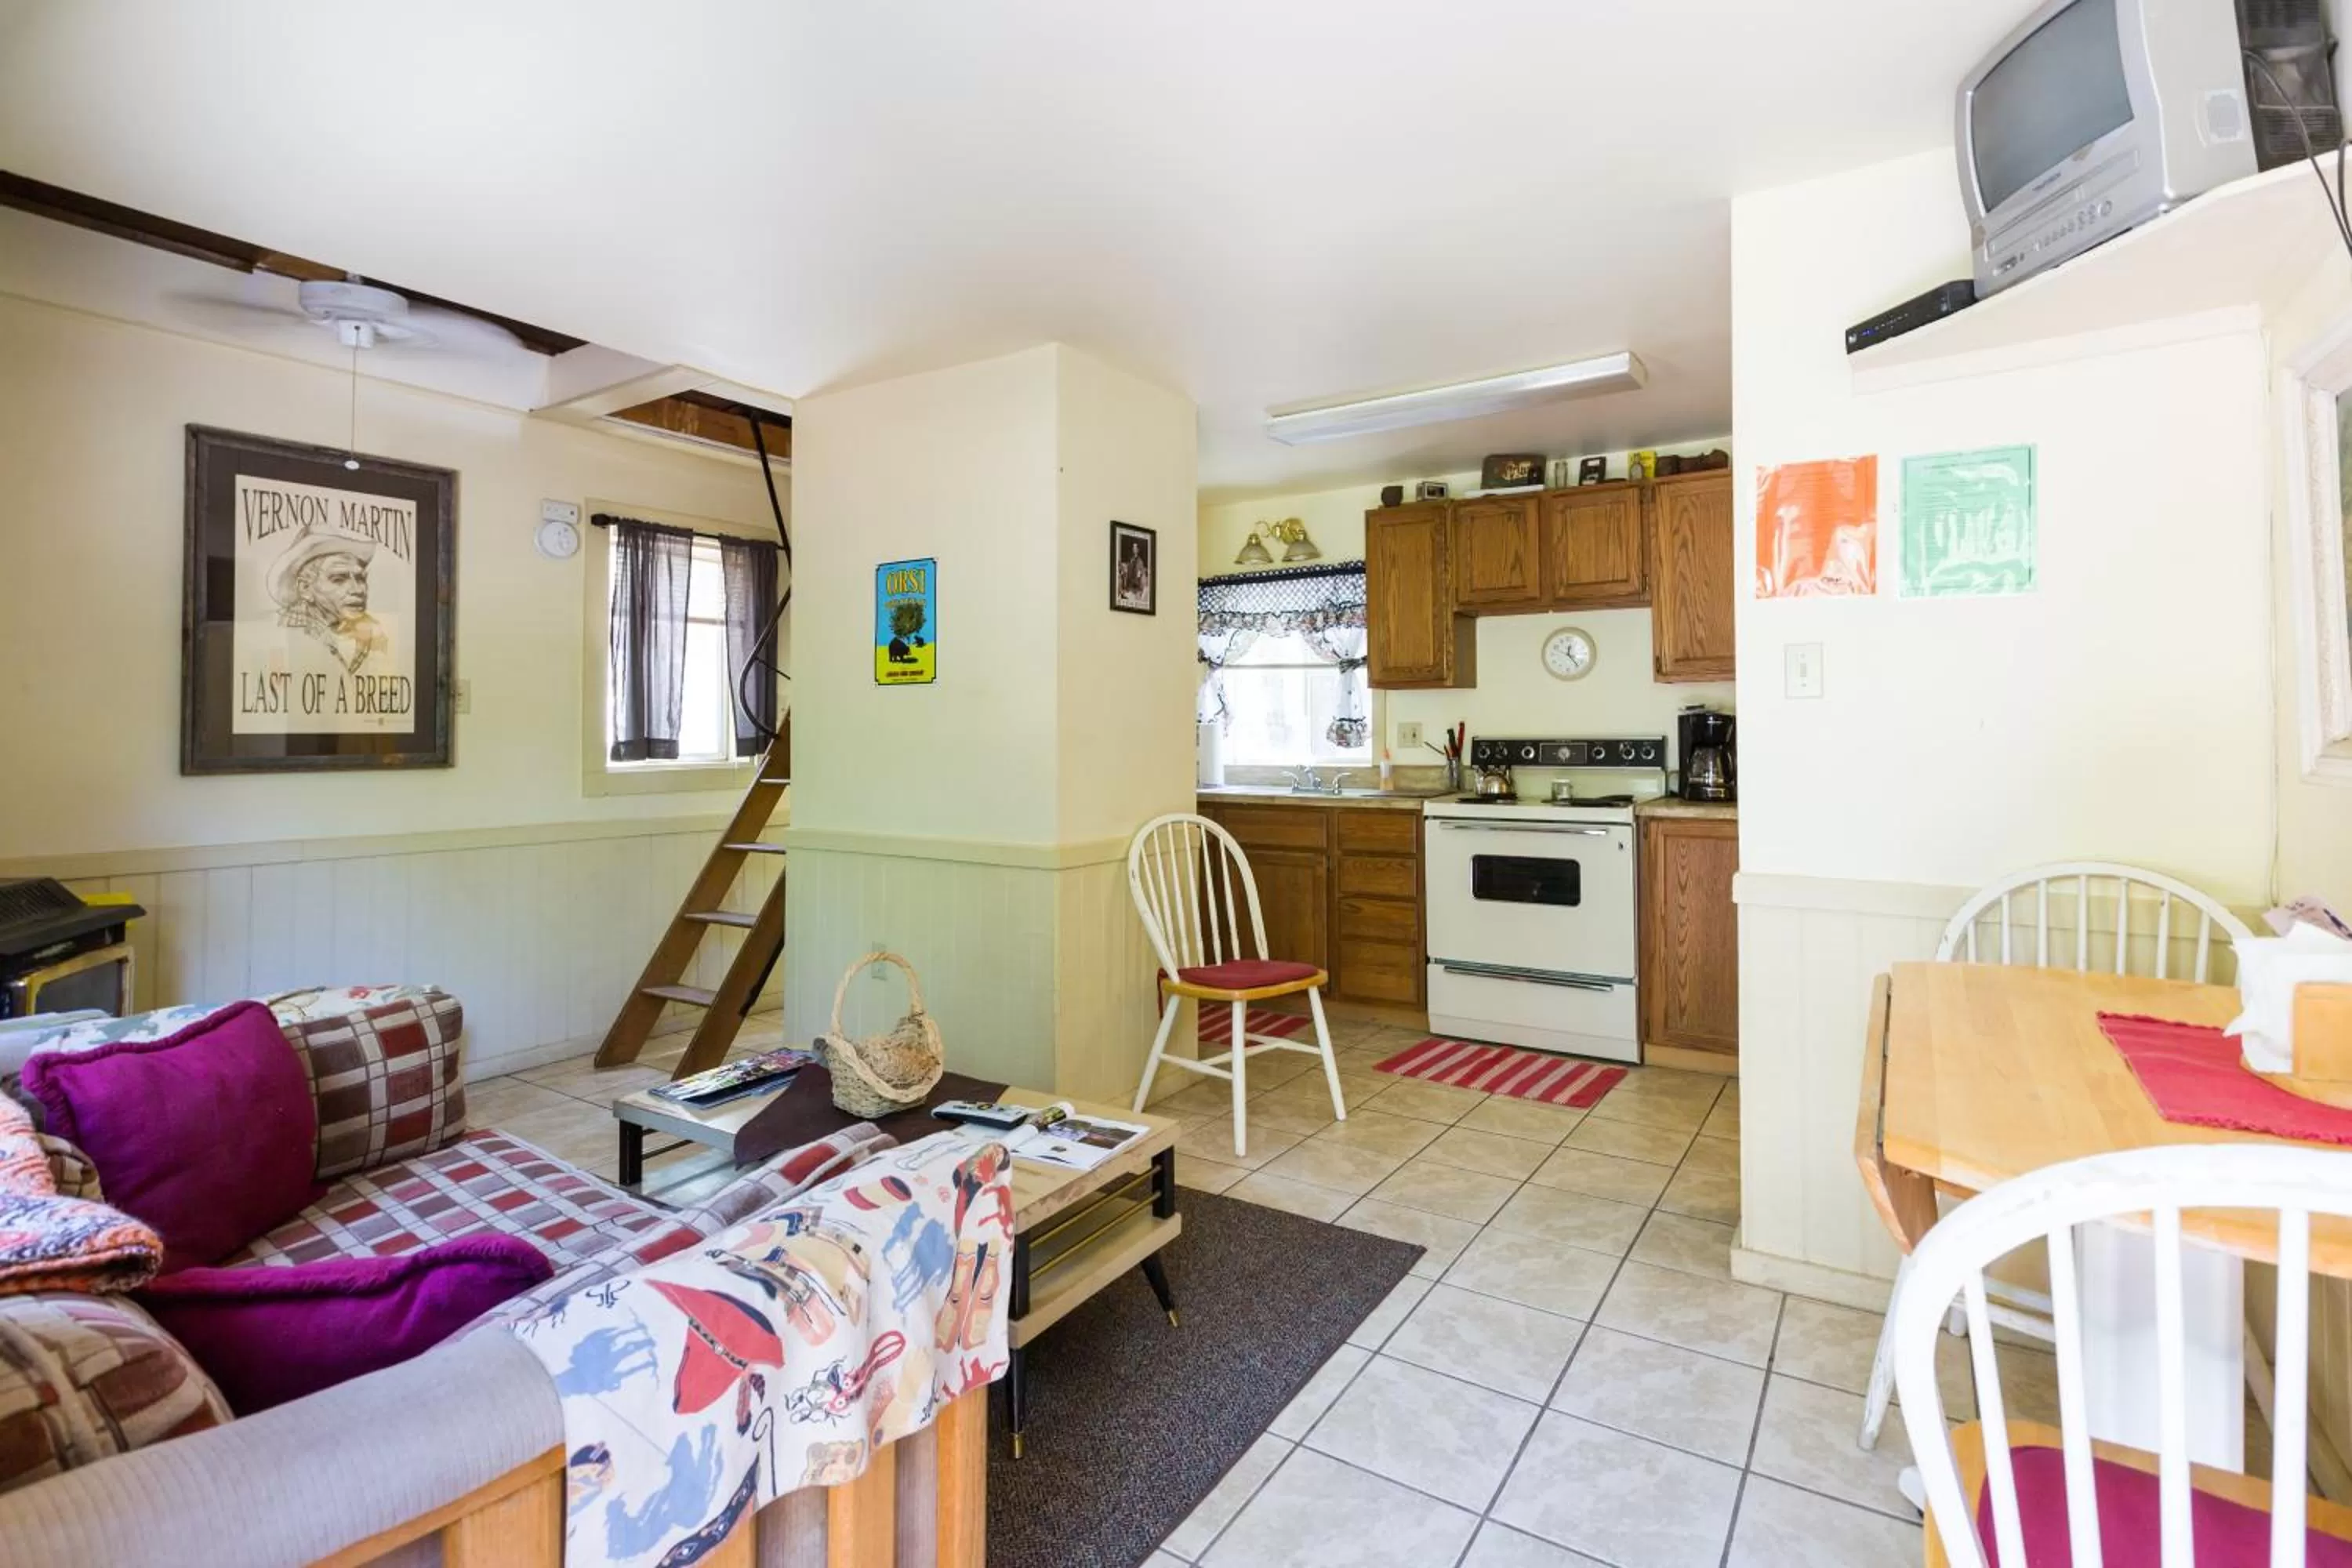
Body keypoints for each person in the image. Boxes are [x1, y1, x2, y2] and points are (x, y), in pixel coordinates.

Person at [267, 525, 389, 674]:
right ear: (305, 589)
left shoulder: (373, 632)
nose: (358, 590)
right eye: (338, 579)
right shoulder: (280, 633)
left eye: (360, 578)